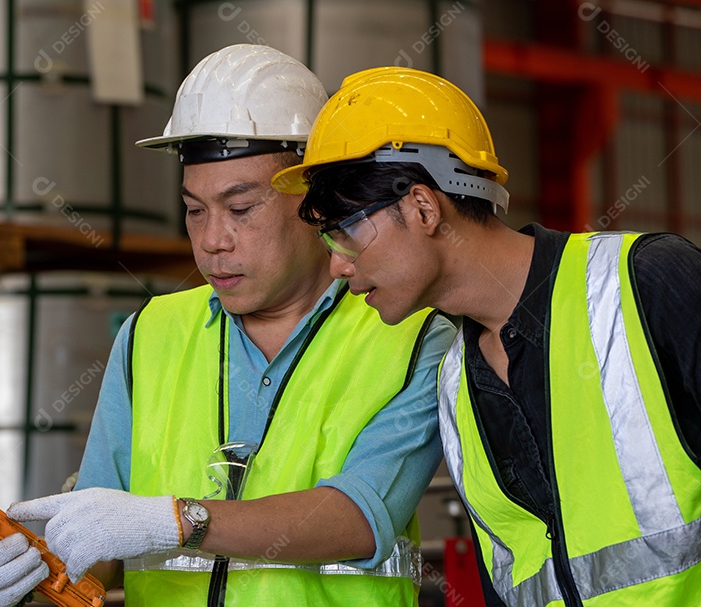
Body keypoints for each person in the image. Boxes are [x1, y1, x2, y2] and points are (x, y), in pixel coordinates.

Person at [0, 46, 456, 607]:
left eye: (240, 210)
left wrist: (179, 520)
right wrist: (23, 568)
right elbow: (100, 548)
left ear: (316, 201)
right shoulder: (150, 335)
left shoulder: (411, 336)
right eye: (194, 210)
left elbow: (359, 519)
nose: (212, 240)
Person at [275, 66, 701, 606]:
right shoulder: (455, 386)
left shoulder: (642, 283)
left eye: (346, 231)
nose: (338, 266)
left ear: (423, 207)